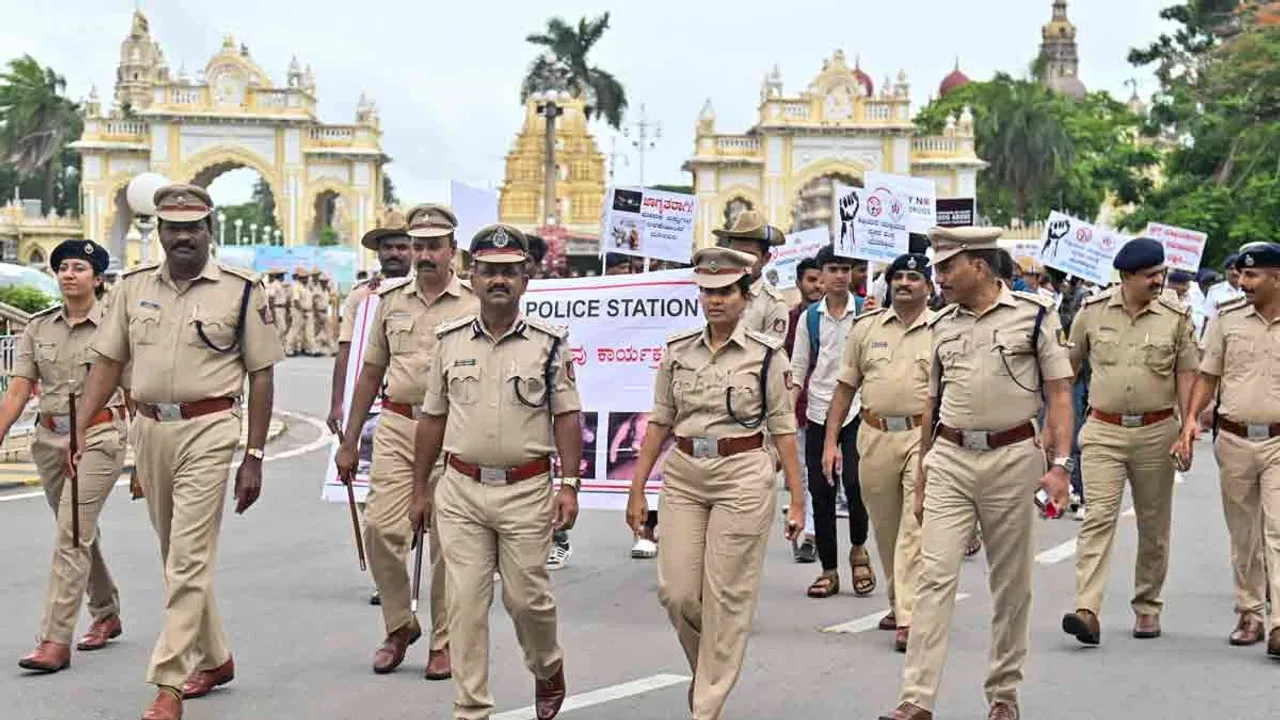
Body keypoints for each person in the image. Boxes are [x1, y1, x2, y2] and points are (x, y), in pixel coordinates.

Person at [75, 184, 282, 720]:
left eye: (194, 227)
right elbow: (107, 362)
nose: (183, 236)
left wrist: (254, 454)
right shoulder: (132, 287)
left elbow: (261, 375)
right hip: (149, 431)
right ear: (160, 232)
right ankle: (216, 657)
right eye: (173, 227)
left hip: (209, 428)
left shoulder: (240, 289)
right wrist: (80, 430)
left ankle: (168, 682)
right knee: (176, 557)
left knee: (188, 557)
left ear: (210, 230)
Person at [880, 226, 1074, 720]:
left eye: (947, 268)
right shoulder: (940, 325)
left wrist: (1058, 467)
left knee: (1011, 584)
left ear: (980, 267)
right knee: (933, 577)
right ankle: (915, 699)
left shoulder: (1035, 317)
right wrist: (923, 474)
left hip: (1013, 460)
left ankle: (1004, 694)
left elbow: (1059, 395)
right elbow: (932, 404)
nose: (937, 277)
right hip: (949, 458)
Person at [625, 246, 805, 720]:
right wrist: (637, 486)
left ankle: (705, 707)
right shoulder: (677, 350)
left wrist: (797, 502)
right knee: (678, 591)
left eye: (725, 292)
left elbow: (784, 430)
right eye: (707, 293)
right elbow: (660, 421)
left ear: (744, 297)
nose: (716, 301)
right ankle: (709, 671)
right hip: (685, 474)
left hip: (743, 473)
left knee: (725, 595)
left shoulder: (768, 357)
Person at [409, 223, 581, 720]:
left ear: (526, 279)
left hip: (527, 490)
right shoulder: (449, 341)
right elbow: (432, 418)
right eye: (488, 272)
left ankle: (547, 666)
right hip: (460, 489)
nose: (498, 281)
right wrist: (419, 489)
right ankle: (471, 709)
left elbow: (567, 415)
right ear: (472, 276)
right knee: (463, 605)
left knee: (527, 600)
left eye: (509, 272)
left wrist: (569, 485)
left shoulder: (550, 345)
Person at [335, 203, 474, 679]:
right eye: (418, 246)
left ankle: (444, 642)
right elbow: (371, 371)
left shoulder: (475, 303)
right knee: (380, 528)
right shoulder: (390, 302)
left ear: (453, 250)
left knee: (448, 544)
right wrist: (349, 438)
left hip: (456, 430)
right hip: (397, 426)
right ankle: (399, 624)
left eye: (435, 246)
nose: (425, 255)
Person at [1060, 238, 1198, 646]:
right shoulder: (1091, 313)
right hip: (1102, 430)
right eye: (1151, 275)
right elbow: (1067, 372)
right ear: (1126, 276)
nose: (1160, 281)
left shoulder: (1176, 315)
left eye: (1162, 273)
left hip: (1157, 431)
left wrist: (1188, 427)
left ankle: (1147, 606)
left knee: (1153, 525)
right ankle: (1087, 608)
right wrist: (1057, 432)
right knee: (1098, 515)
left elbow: (1187, 374)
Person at [10, 240, 129, 673]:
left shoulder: (116, 327)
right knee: (77, 529)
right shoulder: (38, 328)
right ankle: (106, 611)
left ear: (97, 278)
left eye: (79, 267)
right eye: (62, 267)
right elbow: (18, 389)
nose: (68, 274)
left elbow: (135, 392)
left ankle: (53, 640)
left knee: (70, 533)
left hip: (99, 436)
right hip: (49, 440)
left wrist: (143, 461)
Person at [824, 252, 933, 652]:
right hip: (873, 435)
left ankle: (909, 616)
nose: (904, 283)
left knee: (912, 528)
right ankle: (899, 599)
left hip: (923, 441)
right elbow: (845, 387)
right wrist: (832, 440)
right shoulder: (866, 329)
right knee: (886, 529)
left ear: (929, 286)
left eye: (913, 278)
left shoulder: (941, 330)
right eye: (898, 277)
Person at [1178, 241, 1280, 655]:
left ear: (1277, 278)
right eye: (1242, 273)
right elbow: (1208, 375)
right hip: (1235, 439)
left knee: (1278, 532)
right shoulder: (1228, 318)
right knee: (1244, 536)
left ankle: (1278, 623)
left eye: (1253, 275)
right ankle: (1249, 613)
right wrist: (1190, 420)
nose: (1243, 281)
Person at [328, 211, 411, 605]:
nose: (395, 253)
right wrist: (337, 403)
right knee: (374, 504)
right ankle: (389, 578)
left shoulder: (436, 292)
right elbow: (347, 352)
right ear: (378, 252)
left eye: (402, 245)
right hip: (374, 407)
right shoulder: (363, 298)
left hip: (422, 409)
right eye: (388, 246)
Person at [790, 245, 873, 599]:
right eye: (833, 269)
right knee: (821, 492)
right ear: (820, 275)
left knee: (856, 484)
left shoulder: (867, 313)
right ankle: (828, 569)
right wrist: (784, 412)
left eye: (845, 269)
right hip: (819, 411)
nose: (840, 276)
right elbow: (798, 368)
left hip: (859, 409)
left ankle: (858, 548)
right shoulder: (810, 318)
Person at [525, 234, 575, 571]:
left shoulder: (555, 289)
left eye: (527, 258)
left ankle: (558, 538)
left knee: (543, 471)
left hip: (547, 389)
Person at [784, 257, 823, 563]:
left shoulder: (847, 317)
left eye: (821, 279)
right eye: (811, 279)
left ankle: (813, 531)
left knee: (824, 473)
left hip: (833, 409)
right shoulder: (790, 320)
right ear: (799, 283)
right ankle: (807, 532)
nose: (817, 286)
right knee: (803, 474)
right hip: (798, 408)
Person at [711, 209, 789, 339]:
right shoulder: (712, 295)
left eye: (750, 255)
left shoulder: (774, 304)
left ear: (766, 258)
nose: (742, 261)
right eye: (736, 254)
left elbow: (770, 354)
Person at [287, 267, 312, 356]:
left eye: (307, 277)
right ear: (300, 278)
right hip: (298, 311)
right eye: (305, 277)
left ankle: (303, 348)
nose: (307, 279)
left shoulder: (305, 286)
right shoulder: (296, 286)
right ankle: (288, 349)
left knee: (303, 332)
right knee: (295, 330)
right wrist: (303, 311)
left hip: (305, 311)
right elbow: (296, 301)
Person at [265, 269, 289, 342]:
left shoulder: (280, 284)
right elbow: (271, 298)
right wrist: (272, 311)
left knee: (282, 328)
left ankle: (280, 344)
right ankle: (275, 343)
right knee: (281, 328)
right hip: (277, 308)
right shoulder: (275, 285)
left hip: (282, 308)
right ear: (280, 276)